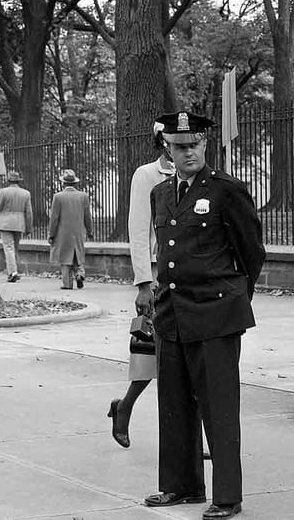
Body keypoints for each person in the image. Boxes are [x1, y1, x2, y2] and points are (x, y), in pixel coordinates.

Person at [144, 111, 264, 520]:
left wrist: (232, 299)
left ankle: (227, 496)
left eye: (194, 145)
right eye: (180, 147)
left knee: (218, 406)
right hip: (172, 314)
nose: (188, 152)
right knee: (173, 403)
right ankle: (181, 485)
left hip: (216, 314)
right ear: (168, 150)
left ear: (205, 145)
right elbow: (165, 252)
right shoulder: (160, 193)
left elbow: (253, 252)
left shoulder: (227, 190)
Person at [108, 123, 175, 448]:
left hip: (190, 276)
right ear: (162, 141)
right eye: (172, 139)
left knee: (192, 358)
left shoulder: (198, 172)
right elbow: (138, 230)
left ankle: (189, 435)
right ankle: (124, 407)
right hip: (158, 277)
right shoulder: (147, 175)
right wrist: (143, 283)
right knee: (149, 352)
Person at [48, 169, 93, 289]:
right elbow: (87, 216)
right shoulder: (83, 196)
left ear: (63, 183)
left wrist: (51, 234)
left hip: (63, 233)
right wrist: (90, 231)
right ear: (75, 183)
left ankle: (67, 284)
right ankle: (79, 273)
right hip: (78, 232)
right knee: (78, 254)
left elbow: (54, 218)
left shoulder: (58, 197)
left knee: (65, 258)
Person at [0, 170, 33, 283]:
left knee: (8, 247)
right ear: (18, 181)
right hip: (19, 223)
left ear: (8, 180)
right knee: (15, 248)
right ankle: (14, 270)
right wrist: (29, 228)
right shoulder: (26, 193)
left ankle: (13, 272)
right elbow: (29, 212)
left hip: (5, 223)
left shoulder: (3, 192)